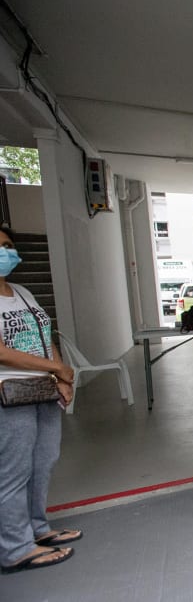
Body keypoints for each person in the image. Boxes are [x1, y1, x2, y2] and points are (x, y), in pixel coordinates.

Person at [0, 228, 79, 573]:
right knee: (12, 472)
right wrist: (57, 368)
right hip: (9, 393)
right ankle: (15, 548)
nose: (6, 252)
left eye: (7, 246)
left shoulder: (21, 291)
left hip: (42, 390)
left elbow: (44, 333)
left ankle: (38, 529)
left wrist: (58, 376)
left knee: (43, 462)